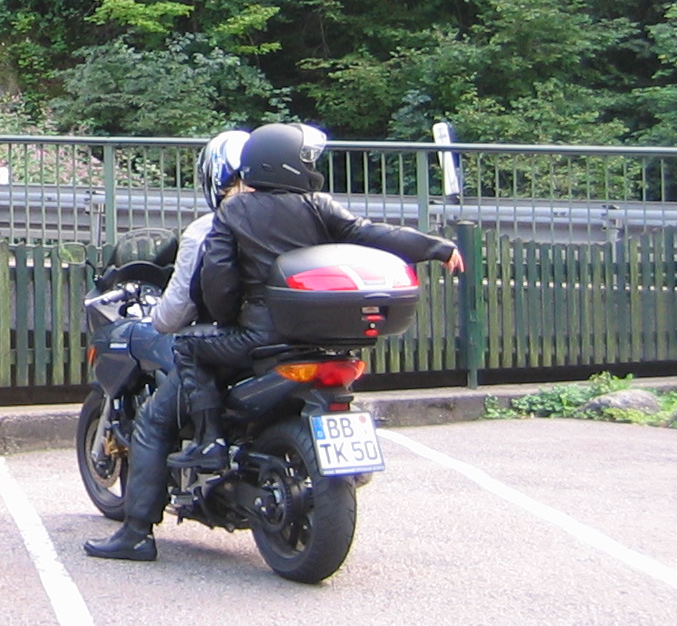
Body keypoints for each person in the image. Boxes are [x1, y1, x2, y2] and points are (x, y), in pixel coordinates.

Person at [169, 122, 462, 473]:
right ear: (286, 162)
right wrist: (437, 247)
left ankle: (210, 442)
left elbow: (219, 281)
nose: (310, 165)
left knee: (187, 345)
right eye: (304, 158)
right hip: (319, 337)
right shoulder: (319, 205)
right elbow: (372, 233)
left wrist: (227, 319)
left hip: (262, 335)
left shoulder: (234, 210)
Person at [82, 129, 247, 564]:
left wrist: (156, 320)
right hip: (283, 346)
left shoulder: (208, 229)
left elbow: (174, 314)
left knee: (153, 421)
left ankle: (137, 533)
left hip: (222, 348)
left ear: (214, 176)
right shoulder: (301, 219)